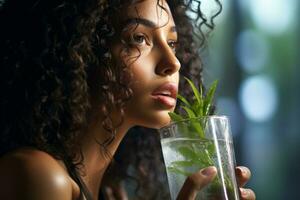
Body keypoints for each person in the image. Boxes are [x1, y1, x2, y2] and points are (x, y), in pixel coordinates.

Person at [0, 0, 255, 199]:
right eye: (139, 38)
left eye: (172, 42)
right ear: (80, 50)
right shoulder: (36, 175)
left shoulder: (111, 191)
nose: (173, 63)